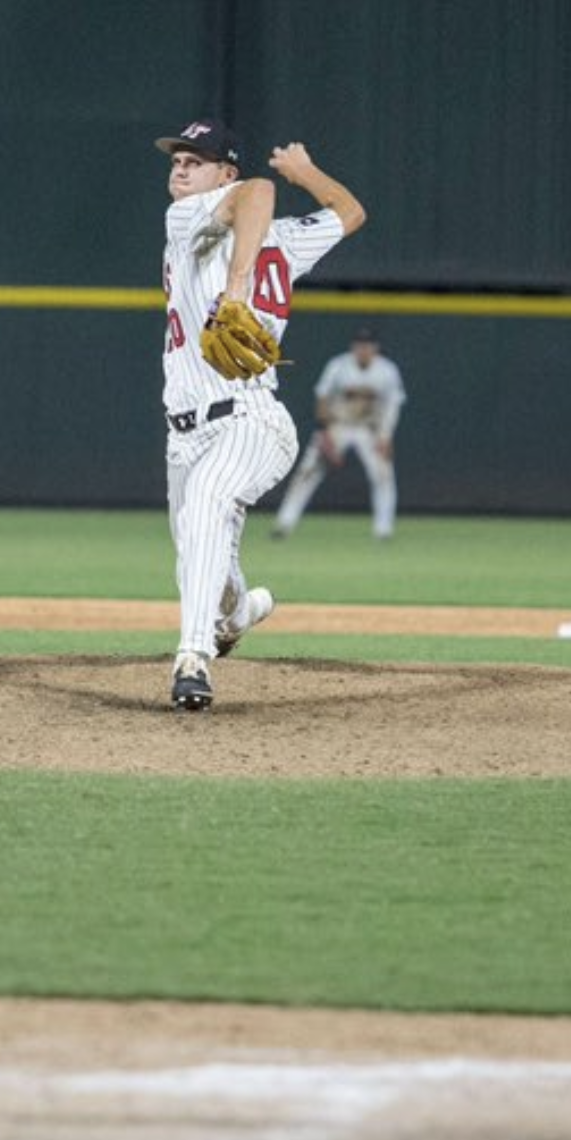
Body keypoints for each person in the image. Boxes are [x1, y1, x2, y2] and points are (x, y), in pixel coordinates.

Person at [156, 118, 366, 711]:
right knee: (204, 555)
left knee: (207, 508)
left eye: (195, 161)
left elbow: (265, 192)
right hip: (184, 433)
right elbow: (341, 213)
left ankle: (192, 660)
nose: (180, 169)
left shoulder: (255, 222)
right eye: (177, 160)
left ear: (225, 173)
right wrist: (308, 180)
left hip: (250, 419)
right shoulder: (186, 218)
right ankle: (237, 614)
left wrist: (238, 283)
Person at [272, 328, 408, 542]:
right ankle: (284, 524)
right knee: (308, 471)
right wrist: (324, 432)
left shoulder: (387, 371)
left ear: (376, 348)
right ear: (353, 347)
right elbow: (322, 398)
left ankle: (384, 530)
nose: (364, 349)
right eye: (360, 344)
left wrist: (385, 436)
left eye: (368, 345)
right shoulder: (339, 366)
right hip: (337, 427)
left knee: (383, 474)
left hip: (369, 430)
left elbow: (392, 405)